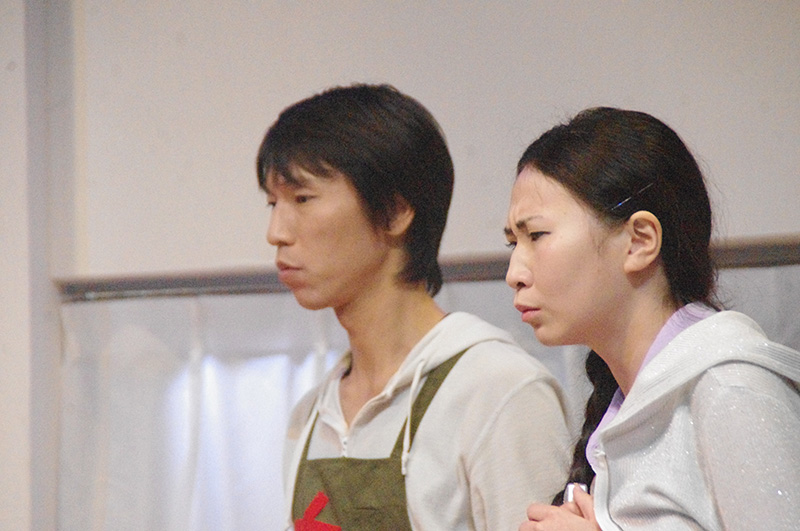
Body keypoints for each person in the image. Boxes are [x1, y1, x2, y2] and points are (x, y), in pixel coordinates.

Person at [256, 83, 572, 531]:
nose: (276, 232)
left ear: (395, 211)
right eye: (273, 203)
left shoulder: (496, 389)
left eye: (302, 199)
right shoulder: (310, 417)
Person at [505, 107, 800, 530]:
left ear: (639, 240)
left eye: (536, 235)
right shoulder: (624, 403)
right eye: (513, 242)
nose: (514, 273)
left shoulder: (731, 388)